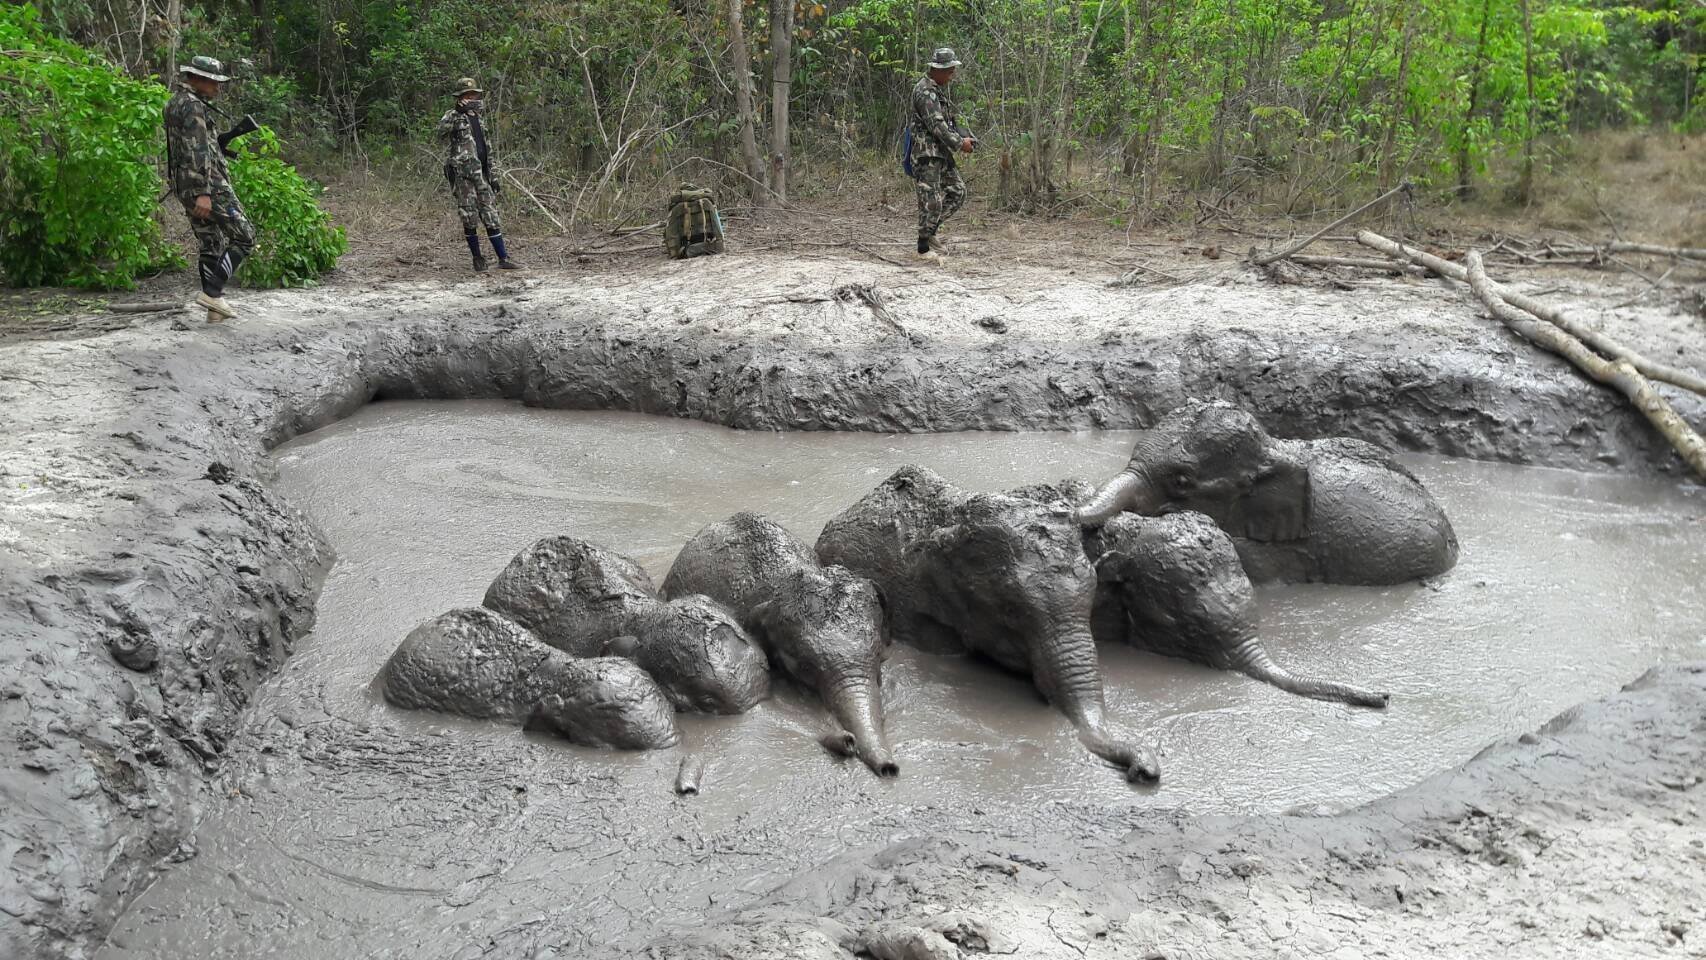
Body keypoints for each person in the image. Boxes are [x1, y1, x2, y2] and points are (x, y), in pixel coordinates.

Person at [164, 56, 256, 322]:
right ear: (199, 79)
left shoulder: (175, 102)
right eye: (214, 82)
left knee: (210, 241)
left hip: (184, 184)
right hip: (207, 185)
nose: (217, 88)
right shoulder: (193, 106)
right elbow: (197, 151)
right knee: (245, 236)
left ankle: (214, 310)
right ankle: (213, 293)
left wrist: (220, 147)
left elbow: (186, 147)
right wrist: (203, 192)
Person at [438, 78, 519, 272]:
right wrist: (458, 112)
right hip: (463, 176)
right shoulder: (453, 116)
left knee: (491, 216)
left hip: (482, 175)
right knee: (469, 217)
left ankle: (503, 258)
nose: (472, 98)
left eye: (475, 95)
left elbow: (487, 148)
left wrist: (494, 176)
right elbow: (439, 134)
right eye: (468, 95)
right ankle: (477, 259)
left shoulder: (479, 118)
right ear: (460, 98)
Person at [908, 47, 974, 264]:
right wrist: (959, 144)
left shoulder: (936, 90)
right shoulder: (925, 91)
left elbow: (945, 124)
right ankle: (923, 247)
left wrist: (963, 136)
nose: (952, 75)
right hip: (926, 155)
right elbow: (936, 126)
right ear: (938, 69)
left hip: (940, 154)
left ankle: (930, 232)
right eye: (950, 71)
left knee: (958, 191)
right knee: (931, 201)